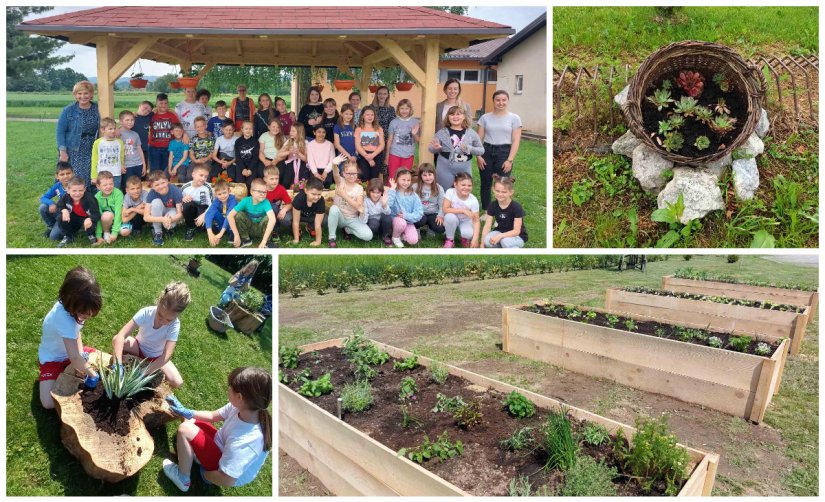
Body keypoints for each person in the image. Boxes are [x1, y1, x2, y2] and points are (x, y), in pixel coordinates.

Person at [162, 367, 272, 492]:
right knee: (189, 421)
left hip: (222, 470)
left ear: (240, 397)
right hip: (222, 449)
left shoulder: (247, 442)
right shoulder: (244, 407)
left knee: (185, 429)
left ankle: (183, 479)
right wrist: (187, 412)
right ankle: (193, 455)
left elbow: (227, 479)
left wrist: (205, 475)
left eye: (230, 386)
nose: (228, 388)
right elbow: (212, 416)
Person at [38, 266, 102, 409]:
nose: (86, 317)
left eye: (89, 314)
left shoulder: (74, 307)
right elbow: (73, 357)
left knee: (98, 357)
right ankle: (52, 373)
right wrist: (92, 374)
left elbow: (76, 332)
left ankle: (70, 371)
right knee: (48, 403)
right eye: (84, 313)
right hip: (53, 358)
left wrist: (80, 352)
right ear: (70, 300)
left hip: (70, 350)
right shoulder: (64, 318)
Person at [112, 281, 191, 388]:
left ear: (177, 315)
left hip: (156, 357)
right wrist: (118, 364)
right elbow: (121, 335)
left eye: (168, 319)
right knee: (116, 339)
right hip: (138, 347)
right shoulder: (146, 313)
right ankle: (121, 366)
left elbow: (166, 356)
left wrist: (143, 372)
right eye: (160, 314)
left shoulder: (175, 325)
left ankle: (156, 382)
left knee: (177, 382)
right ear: (159, 301)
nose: (163, 321)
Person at [477, 90, 523, 211]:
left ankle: (500, 211)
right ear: (493, 101)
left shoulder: (514, 118)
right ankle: (487, 211)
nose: (501, 102)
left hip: (504, 153)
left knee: (502, 185)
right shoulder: (484, 118)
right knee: (486, 183)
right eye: (498, 100)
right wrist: (478, 156)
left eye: (504, 100)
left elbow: (516, 140)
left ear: (507, 101)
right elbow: (478, 139)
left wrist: (510, 160)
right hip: (486, 151)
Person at [428, 106, 484, 191]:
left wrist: (469, 148)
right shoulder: (441, 132)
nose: (455, 117)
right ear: (448, 117)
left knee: (463, 192)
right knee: (444, 192)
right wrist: (437, 149)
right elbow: (431, 149)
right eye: (452, 114)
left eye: (458, 114)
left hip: (464, 168)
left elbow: (481, 150)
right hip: (444, 168)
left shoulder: (471, 133)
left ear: (464, 116)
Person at [56, 81, 100, 188]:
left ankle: (86, 199)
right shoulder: (68, 110)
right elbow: (60, 131)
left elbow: (107, 124)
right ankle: (70, 199)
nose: (83, 96)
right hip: (74, 148)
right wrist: (62, 151)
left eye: (86, 93)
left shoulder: (97, 109)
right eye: (79, 94)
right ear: (75, 95)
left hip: (91, 147)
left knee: (90, 174)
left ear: (91, 94)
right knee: (74, 176)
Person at [328, 156, 371, 247]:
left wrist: (344, 195)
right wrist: (334, 164)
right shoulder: (340, 183)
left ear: (357, 173)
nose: (352, 176)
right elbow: (336, 174)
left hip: (352, 218)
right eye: (348, 173)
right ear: (343, 173)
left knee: (368, 236)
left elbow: (358, 206)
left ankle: (348, 230)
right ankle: (332, 237)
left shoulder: (359, 188)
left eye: (354, 173)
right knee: (334, 209)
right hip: (339, 218)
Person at [227, 178, 276, 249]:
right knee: (238, 214)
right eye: (259, 191)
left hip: (261, 229)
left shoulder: (266, 202)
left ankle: (267, 242)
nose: (262, 194)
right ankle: (245, 239)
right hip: (249, 228)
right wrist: (236, 235)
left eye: (265, 192)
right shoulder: (245, 201)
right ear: (251, 191)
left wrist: (264, 240)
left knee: (268, 218)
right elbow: (230, 216)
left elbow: (273, 219)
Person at [481, 175, 527, 248]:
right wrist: (482, 244)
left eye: (504, 192)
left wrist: (500, 236)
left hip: (517, 236)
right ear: (493, 189)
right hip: (501, 231)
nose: (500, 194)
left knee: (505, 241)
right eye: (497, 191)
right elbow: (487, 226)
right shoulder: (492, 205)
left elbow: (516, 231)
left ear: (511, 192)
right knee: (487, 241)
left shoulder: (516, 207)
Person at [56, 177, 100, 248]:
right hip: (75, 217)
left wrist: (90, 219)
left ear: (84, 189)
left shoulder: (89, 198)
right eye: (74, 191)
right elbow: (59, 206)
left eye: (80, 190)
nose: (77, 193)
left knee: (89, 223)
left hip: (86, 219)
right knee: (60, 217)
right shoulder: (66, 197)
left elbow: (97, 214)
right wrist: (64, 210)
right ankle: (68, 236)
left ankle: (90, 234)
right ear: (68, 190)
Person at [144, 170, 184, 246]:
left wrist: (169, 220)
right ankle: (158, 232)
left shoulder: (175, 191)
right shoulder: (152, 193)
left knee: (168, 225)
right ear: (152, 186)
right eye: (157, 185)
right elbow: (146, 217)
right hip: (159, 211)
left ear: (167, 181)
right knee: (156, 202)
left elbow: (180, 214)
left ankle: (168, 228)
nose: (161, 186)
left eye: (163, 183)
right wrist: (163, 219)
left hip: (171, 210)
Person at [442, 172, 480, 248]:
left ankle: (464, 238)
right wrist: (463, 210)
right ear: (455, 185)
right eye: (463, 185)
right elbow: (445, 209)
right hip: (453, 218)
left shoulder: (473, 200)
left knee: (468, 234)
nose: (466, 187)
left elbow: (476, 220)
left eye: (469, 185)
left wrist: (475, 239)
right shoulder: (450, 192)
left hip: (465, 221)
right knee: (449, 217)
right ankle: (450, 239)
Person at [387, 169, 423, 248]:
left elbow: (419, 213)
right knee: (401, 223)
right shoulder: (393, 192)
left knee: (413, 240)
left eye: (408, 180)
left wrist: (406, 216)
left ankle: (401, 234)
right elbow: (388, 205)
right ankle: (395, 237)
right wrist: (392, 189)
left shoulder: (413, 195)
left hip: (408, 221)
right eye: (403, 180)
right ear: (397, 179)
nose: (406, 182)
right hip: (395, 220)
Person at [386, 99, 420, 182]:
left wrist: (414, 134)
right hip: (394, 154)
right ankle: (392, 194)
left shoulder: (415, 122)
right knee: (393, 177)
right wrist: (387, 156)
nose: (404, 111)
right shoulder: (393, 122)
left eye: (406, 108)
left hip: (408, 155)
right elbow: (390, 140)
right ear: (398, 109)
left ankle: (403, 194)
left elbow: (419, 140)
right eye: (402, 108)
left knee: (405, 178)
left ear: (410, 109)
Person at [39, 161, 74, 241]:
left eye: (68, 173)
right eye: (62, 174)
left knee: (54, 237)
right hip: (61, 212)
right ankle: (51, 227)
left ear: (73, 173)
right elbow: (43, 198)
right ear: (57, 176)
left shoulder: (76, 186)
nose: (65, 176)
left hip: (71, 216)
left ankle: (71, 230)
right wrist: (51, 203)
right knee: (43, 207)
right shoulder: (57, 186)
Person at [148, 93, 181, 172]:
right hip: (154, 148)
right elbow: (140, 120)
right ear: (156, 103)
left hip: (168, 148)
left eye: (166, 103)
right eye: (161, 103)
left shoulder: (172, 115)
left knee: (165, 170)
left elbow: (179, 128)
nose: (163, 105)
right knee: (154, 171)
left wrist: (185, 135)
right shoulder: (151, 115)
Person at [289, 177, 326, 246]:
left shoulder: (321, 201)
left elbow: (318, 223)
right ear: (306, 191)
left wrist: (318, 241)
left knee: (325, 219)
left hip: (312, 217)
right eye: (313, 194)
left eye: (319, 194)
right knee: (288, 219)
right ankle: (298, 230)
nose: (316, 197)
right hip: (300, 216)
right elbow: (296, 221)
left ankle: (310, 227)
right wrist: (296, 239)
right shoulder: (299, 198)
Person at [181, 165, 214, 241]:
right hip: (192, 208)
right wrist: (183, 199)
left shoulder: (207, 187)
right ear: (193, 175)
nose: (203, 179)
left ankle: (202, 224)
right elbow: (180, 201)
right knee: (186, 204)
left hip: (203, 208)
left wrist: (203, 215)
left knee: (202, 229)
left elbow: (212, 205)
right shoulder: (185, 187)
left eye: (205, 177)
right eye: (201, 175)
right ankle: (190, 227)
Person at [91, 117, 126, 189]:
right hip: (102, 174)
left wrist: (122, 165)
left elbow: (121, 156)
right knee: (102, 193)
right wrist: (94, 176)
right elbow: (94, 160)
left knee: (115, 192)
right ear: (103, 130)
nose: (113, 130)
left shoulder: (119, 142)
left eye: (114, 128)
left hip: (116, 173)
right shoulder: (97, 143)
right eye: (110, 129)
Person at [412, 162, 446, 236]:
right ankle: (416, 229)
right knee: (419, 220)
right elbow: (411, 203)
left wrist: (440, 215)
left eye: (430, 175)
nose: (428, 177)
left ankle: (431, 227)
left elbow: (441, 205)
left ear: (434, 175)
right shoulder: (415, 187)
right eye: (424, 175)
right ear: (420, 176)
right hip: (420, 213)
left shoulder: (439, 188)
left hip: (433, 213)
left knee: (440, 228)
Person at [118, 110, 147, 192]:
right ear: (121, 121)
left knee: (137, 186)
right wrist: (121, 164)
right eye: (127, 120)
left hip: (138, 164)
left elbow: (140, 150)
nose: (130, 122)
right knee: (126, 187)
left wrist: (144, 165)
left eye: (132, 120)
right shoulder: (117, 134)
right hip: (127, 166)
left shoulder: (135, 134)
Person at [354, 106, 384, 182]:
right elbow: (358, 146)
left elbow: (382, 145)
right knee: (364, 177)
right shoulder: (359, 129)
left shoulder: (379, 128)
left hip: (376, 155)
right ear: (363, 116)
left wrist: (372, 156)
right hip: (363, 156)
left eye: (372, 115)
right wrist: (368, 157)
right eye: (367, 114)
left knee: (374, 178)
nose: (370, 117)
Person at [204, 180, 238, 247]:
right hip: (222, 223)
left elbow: (229, 215)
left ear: (229, 191)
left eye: (224, 193)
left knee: (233, 216)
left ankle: (230, 233)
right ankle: (216, 232)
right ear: (216, 195)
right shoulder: (217, 200)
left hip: (232, 225)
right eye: (219, 194)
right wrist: (210, 233)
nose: (222, 196)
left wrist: (221, 234)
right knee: (212, 212)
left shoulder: (233, 200)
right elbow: (209, 213)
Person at [275, 123, 308, 189]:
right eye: (290, 131)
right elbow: (278, 154)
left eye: (293, 131)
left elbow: (306, 160)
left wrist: (298, 153)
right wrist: (288, 152)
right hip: (290, 164)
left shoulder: (306, 142)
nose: (290, 133)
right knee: (286, 182)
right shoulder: (289, 142)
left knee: (303, 183)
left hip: (302, 164)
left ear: (299, 132)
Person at [94, 171, 124, 245]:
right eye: (105, 185)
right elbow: (98, 216)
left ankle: (113, 231)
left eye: (111, 184)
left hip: (118, 219)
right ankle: (106, 232)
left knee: (125, 232)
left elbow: (118, 213)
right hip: (106, 220)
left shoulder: (118, 194)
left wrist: (115, 232)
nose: (108, 187)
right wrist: (98, 236)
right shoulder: (97, 197)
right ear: (98, 186)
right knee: (106, 215)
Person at [263, 166, 292, 238]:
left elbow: (289, 204)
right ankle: (274, 229)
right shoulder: (262, 189)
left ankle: (292, 229)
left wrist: (284, 210)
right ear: (265, 179)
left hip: (276, 213)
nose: (274, 181)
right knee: (271, 206)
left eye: (276, 179)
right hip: (264, 213)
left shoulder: (281, 189)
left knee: (287, 219)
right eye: (271, 179)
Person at [371, 86, 395, 173]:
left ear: (388, 95)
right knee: (373, 164)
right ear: (376, 95)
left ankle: (384, 185)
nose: (382, 96)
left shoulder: (391, 109)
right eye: (380, 93)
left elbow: (393, 125)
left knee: (385, 165)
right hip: (372, 138)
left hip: (386, 138)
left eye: (384, 94)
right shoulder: (371, 107)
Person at [363, 178, 393, 246]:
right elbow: (364, 220)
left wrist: (384, 205)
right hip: (372, 223)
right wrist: (362, 213)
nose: (375, 195)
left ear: (381, 192)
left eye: (378, 192)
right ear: (368, 191)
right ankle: (371, 235)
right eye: (373, 192)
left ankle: (385, 236)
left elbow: (388, 213)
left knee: (388, 218)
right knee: (374, 223)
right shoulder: (366, 200)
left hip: (382, 223)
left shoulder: (383, 198)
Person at [232, 121, 260, 189]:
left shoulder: (255, 142)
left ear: (252, 130)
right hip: (241, 165)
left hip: (252, 165)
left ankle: (250, 197)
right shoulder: (238, 141)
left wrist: (250, 169)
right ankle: (242, 198)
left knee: (251, 183)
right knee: (240, 182)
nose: (248, 130)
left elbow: (255, 157)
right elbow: (238, 157)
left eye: (250, 129)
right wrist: (243, 169)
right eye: (246, 129)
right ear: (242, 129)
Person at [187, 116, 216, 183]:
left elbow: (212, 153)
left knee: (206, 176)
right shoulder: (193, 139)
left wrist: (205, 159)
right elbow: (191, 153)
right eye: (198, 127)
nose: (200, 128)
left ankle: (205, 191)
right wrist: (195, 160)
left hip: (207, 160)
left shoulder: (211, 139)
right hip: (195, 160)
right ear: (195, 128)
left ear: (205, 126)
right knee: (189, 176)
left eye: (202, 126)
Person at [258, 119, 286, 188]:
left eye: (278, 127)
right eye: (273, 127)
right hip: (266, 158)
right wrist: (264, 161)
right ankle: (263, 189)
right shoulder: (264, 136)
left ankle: (277, 191)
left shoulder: (282, 137)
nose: (275, 129)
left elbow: (284, 154)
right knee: (261, 173)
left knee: (280, 174)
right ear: (269, 127)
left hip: (278, 159)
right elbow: (261, 151)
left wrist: (276, 161)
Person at [133, 100, 154, 168]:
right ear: (139, 105)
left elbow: (157, 109)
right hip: (134, 148)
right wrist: (132, 113)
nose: (146, 111)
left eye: (148, 111)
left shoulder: (148, 116)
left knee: (144, 167)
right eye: (145, 108)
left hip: (144, 148)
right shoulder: (132, 117)